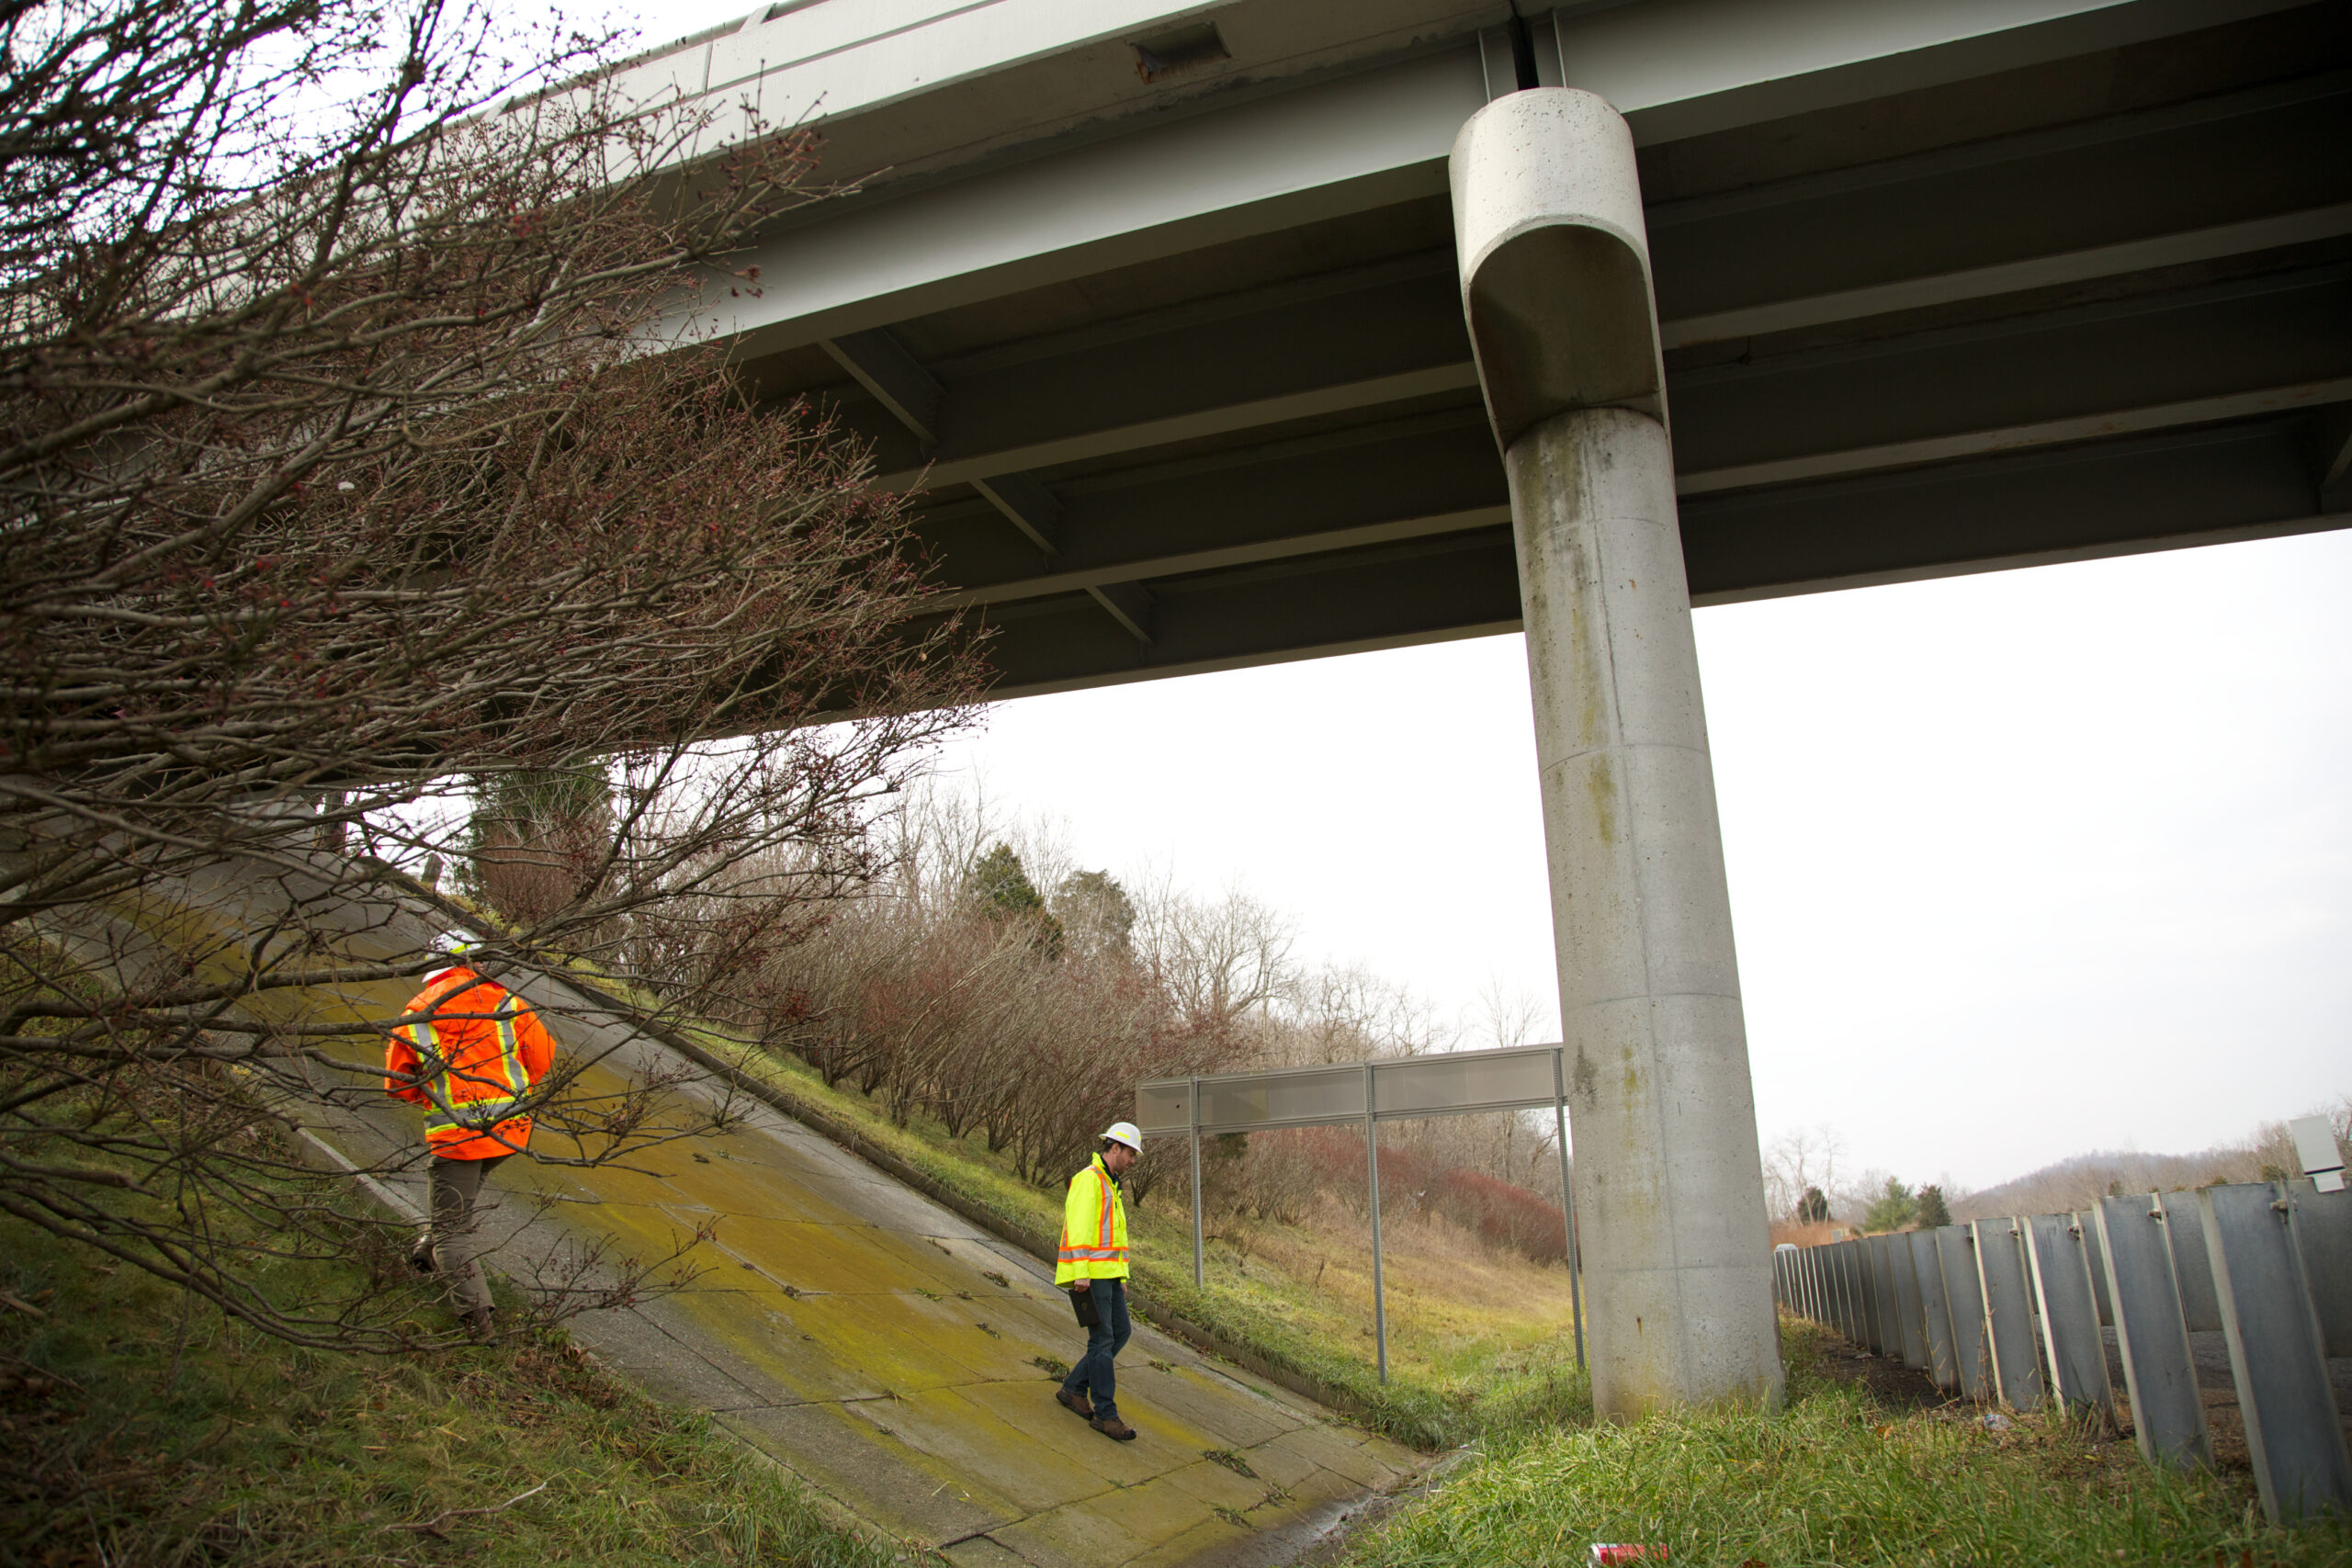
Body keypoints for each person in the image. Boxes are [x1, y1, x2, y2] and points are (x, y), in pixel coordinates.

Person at [383, 931, 557, 1344]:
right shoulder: (507, 1003)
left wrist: (438, 1099)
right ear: (476, 963)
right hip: (511, 1128)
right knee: (457, 1205)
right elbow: (543, 1058)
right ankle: (424, 1252)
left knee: (452, 1232)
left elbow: (398, 1082)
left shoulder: (419, 1011)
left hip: (459, 1135)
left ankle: (480, 1326)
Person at [1056, 1121, 1141, 1440]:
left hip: (1109, 1275)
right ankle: (1106, 1415)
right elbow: (1077, 1228)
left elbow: (1114, 1236)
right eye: (1131, 1153)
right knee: (1102, 1340)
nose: (1133, 1160)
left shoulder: (1111, 1184)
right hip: (1090, 1276)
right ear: (1114, 1148)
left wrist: (1122, 1275)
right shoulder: (1089, 1180)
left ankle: (1074, 1389)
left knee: (1121, 1332)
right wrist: (1080, 1273)